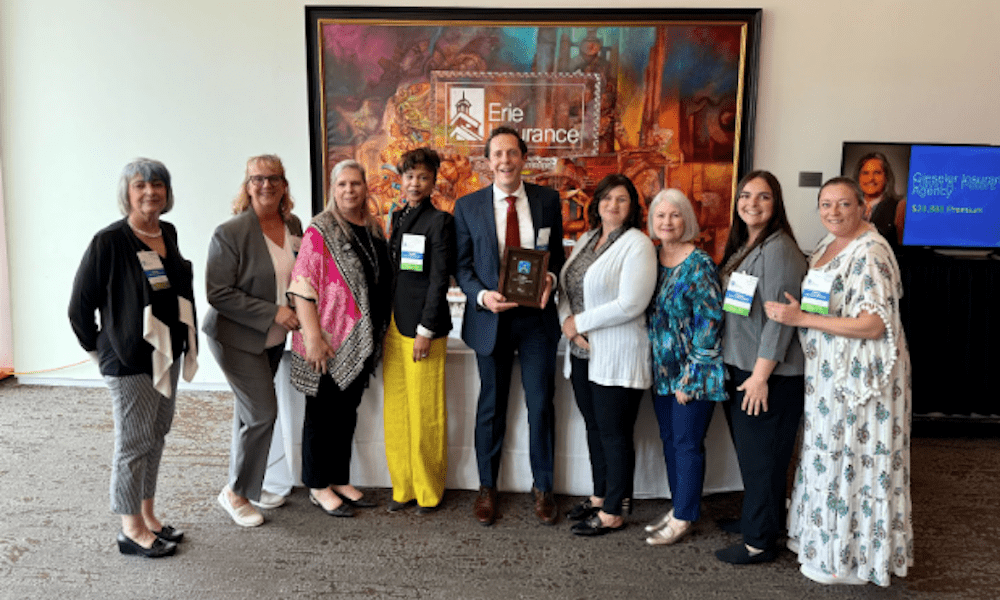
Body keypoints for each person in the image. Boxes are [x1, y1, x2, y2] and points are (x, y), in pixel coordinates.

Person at [767, 177, 913, 587]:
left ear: (863, 207)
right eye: (826, 204)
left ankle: (849, 559)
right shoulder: (827, 244)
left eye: (844, 204)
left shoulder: (871, 252)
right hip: (829, 377)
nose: (834, 212)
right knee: (828, 455)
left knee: (852, 458)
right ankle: (822, 543)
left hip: (861, 381)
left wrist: (802, 319)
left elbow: (873, 325)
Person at [69, 158, 198, 558]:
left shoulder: (167, 232)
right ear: (127, 193)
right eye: (140, 185)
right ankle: (130, 530)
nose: (150, 192)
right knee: (133, 443)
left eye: (157, 184)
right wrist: (101, 351)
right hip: (129, 360)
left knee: (155, 435)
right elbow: (79, 307)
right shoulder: (109, 241)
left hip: (166, 353)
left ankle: (148, 515)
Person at [453, 126, 565, 526]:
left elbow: (555, 255)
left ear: (524, 158)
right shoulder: (467, 207)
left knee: (541, 405)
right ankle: (487, 486)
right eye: (497, 154)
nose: (505, 161)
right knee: (491, 406)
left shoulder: (547, 201)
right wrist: (483, 296)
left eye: (512, 153)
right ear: (488, 162)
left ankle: (544, 487)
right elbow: (462, 267)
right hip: (492, 319)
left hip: (536, 320)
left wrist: (550, 278)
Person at [287, 159, 391, 518]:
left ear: (365, 187)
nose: (349, 190)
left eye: (355, 183)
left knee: (346, 413)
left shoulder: (373, 228)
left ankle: (339, 478)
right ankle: (318, 486)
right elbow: (301, 287)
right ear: (333, 188)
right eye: (342, 184)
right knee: (322, 414)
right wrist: (313, 338)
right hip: (328, 340)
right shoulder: (320, 230)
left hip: (362, 340)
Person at [204, 155, 303, 527]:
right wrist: (274, 312)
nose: (266, 185)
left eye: (273, 178)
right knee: (262, 413)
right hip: (235, 337)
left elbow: (300, 273)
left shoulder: (293, 224)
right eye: (257, 178)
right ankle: (236, 494)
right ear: (247, 186)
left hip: (273, 339)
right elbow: (218, 293)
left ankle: (247, 482)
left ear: (284, 184)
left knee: (249, 414)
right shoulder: (229, 233)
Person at [714, 170, 807, 565]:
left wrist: (760, 376)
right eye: (746, 195)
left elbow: (781, 319)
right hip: (744, 367)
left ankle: (759, 542)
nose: (752, 203)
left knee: (764, 459)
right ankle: (761, 519)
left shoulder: (779, 249)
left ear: (776, 203)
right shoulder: (750, 245)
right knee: (754, 458)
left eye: (763, 196)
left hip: (768, 376)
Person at [557, 174, 657, 536]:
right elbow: (567, 287)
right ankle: (600, 496)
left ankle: (614, 510)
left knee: (615, 434)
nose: (612, 205)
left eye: (622, 199)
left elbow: (632, 303)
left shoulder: (638, 244)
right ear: (596, 203)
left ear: (632, 207)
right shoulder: (587, 239)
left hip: (617, 353)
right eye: (607, 198)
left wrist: (579, 323)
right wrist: (568, 323)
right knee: (594, 428)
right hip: (581, 353)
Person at [643, 189, 727, 545]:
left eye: (675, 215)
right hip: (661, 373)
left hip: (693, 374)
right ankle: (679, 506)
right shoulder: (650, 258)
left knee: (687, 443)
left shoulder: (700, 264)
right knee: (670, 441)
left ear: (687, 220)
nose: (667, 222)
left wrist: (690, 378)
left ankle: (684, 516)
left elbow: (710, 322)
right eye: (660, 215)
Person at [383, 148, 455, 514]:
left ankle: (428, 491)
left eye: (423, 177)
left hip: (423, 328)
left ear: (432, 182)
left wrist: (427, 328)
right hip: (394, 326)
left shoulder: (439, 221)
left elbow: (439, 279)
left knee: (426, 411)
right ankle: (403, 487)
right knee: (396, 410)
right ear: (401, 179)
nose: (415, 183)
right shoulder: (397, 217)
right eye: (410, 176)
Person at [853, 152, 905, 248]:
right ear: (858, 177)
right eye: (865, 173)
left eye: (877, 173)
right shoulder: (849, 205)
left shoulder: (899, 207)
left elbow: (905, 250)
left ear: (886, 178)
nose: (871, 179)